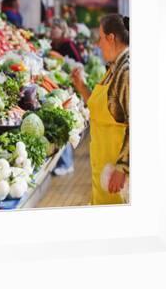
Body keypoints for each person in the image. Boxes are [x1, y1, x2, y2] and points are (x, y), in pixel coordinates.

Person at [71, 14, 129, 205]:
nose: (98, 44)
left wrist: (123, 167)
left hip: (117, 175)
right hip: (104, 169)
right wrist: (81, 87)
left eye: (101, 37)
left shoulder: (126, 72)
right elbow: (102, 110)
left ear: (111, 38)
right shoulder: (114, 69)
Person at [49, 18, 84, 176]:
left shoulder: (68, 44)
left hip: (69, 86)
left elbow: (79, 62)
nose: (51, 31)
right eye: (51, 28)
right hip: (58, 85)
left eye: (54, 28)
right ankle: (64, 161)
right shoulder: (52, 45)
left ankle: (67, 163)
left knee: (65, 122)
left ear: (62, 29)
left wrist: (65, 64)